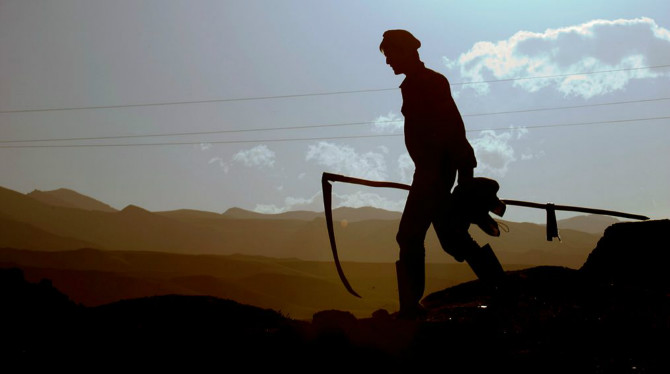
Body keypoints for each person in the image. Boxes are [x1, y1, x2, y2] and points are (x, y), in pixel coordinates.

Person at [380, 29, 481, 319]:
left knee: (409, 236)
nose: (388, 62)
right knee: (452, 239)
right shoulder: (416, 84)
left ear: (406, 52)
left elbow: (453, 126)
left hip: (433, 174)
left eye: (390, 55)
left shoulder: (430, 82)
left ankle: (410, 308)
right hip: (430, 172)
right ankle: (498, 283)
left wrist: (461, 171)